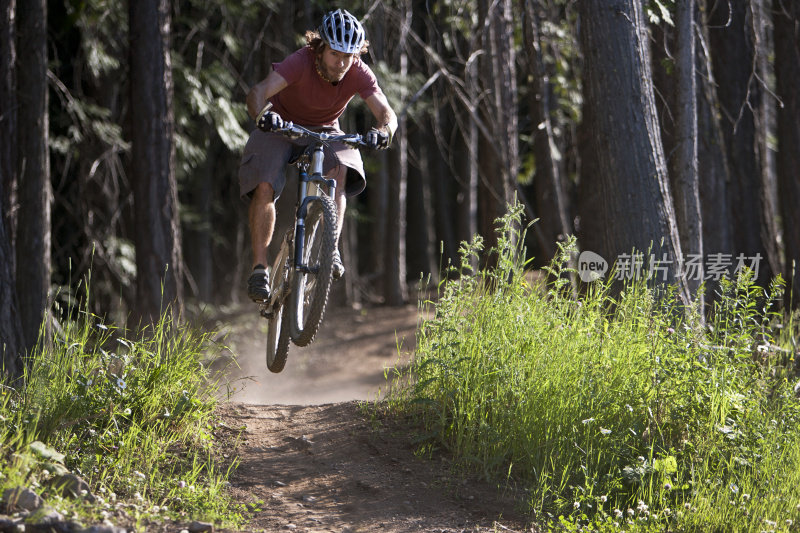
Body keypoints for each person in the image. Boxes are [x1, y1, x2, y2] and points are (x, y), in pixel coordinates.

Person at [239, 8, 398, 302]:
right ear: (321, 47)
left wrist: (384, 131)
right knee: (264, 183)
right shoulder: (299, 63)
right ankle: (259, 267)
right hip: (281, 124)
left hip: (327, 128)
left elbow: (386, 112)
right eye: (335, 54)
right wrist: (263, 115)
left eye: (348, 56)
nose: (341, 63)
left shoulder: (358, 71)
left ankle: (330, 250)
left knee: (341, 171)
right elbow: (257, 92)